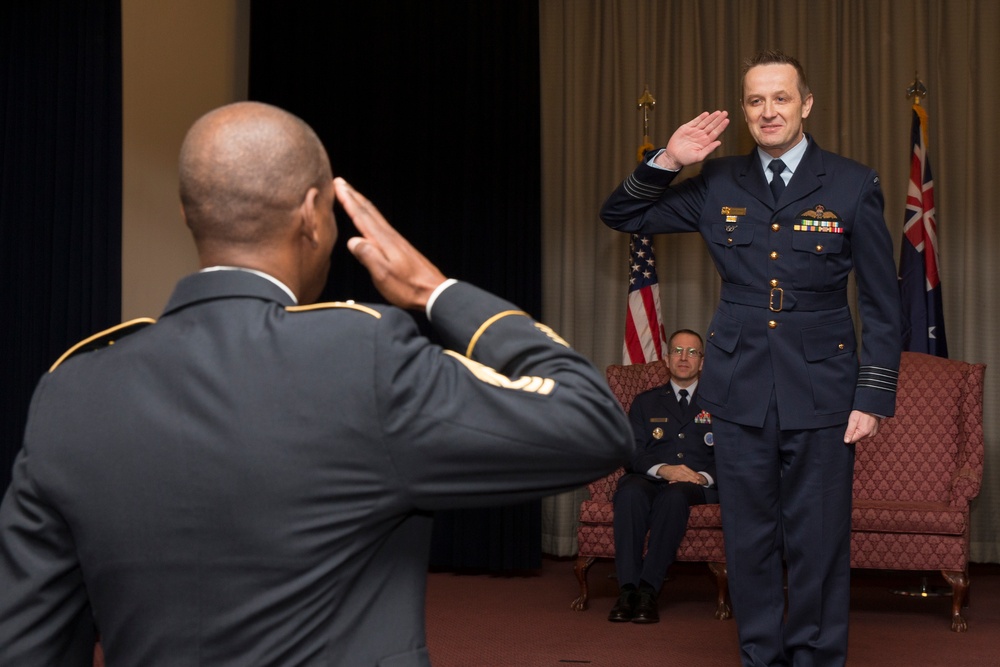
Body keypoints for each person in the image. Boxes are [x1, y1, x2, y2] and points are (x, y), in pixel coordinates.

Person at [0, 101, 634, 667]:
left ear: (191, 213)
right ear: (312, 215)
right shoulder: (360, 356)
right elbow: (594, 423)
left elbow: (29, 644)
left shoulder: (70, 390)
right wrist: (436, 292)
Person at [600, 50, 901, 666]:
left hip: (823, 393)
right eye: (756, 101)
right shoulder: (719, 181)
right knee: (749, 540)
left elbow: (881, 300)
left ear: (806, 104)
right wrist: (668, 161)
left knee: (817, 543)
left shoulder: (851, 182)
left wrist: (871, 397)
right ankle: (760, 657)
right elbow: (621, 214)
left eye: (781, 98)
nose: (769, 112)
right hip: (737, 391)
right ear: (744, 110)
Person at [607, 329, 716, 624]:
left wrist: (702, 477)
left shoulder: (719, 404)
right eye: (678, 351)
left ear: (702, 362)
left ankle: (648, 591)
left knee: (675, 494)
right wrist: (664, 470)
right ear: (667, 360)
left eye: (692, 352)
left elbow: (734, 455)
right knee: (628, 492)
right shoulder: (646, 402)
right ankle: (627, 590)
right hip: (649, 477)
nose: (684, 358)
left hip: (695, 484)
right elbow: (631, 451)